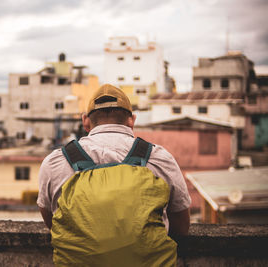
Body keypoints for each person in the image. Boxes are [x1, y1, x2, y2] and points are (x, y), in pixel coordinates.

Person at [37, 84, 191, 265]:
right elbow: (181, 226)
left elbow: (53, 222)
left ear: (85, 121)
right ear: (131, 120)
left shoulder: (55, 162)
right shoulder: (159, 158)